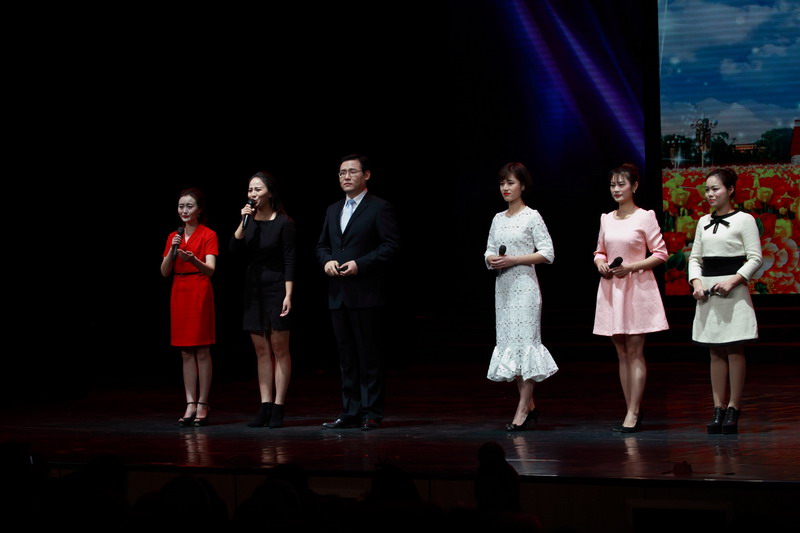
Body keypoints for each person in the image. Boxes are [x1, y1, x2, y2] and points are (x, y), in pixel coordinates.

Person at [316, 154, 400, 431]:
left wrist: (360, 264)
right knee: (346, 358)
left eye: (352, 172)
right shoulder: (333, 209)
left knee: (369, 357)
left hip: (366, 293)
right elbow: (322, 245)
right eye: (342, 173)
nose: (346, 177)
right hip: (338, 294)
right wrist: (326, 261)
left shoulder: (379, 207)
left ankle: (371, 412)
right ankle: (349, 411)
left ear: (366, 175)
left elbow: (390, 246)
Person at [593, 163, 668, 433]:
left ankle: (634, 412)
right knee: (621, 352)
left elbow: (660, 254)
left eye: (621, 184)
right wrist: (600, 263)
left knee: (635, 351)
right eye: (612, 184)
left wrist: (631, 267)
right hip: (612, 289)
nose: (616, 189)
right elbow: (600, 251)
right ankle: (630, 408)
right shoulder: (606, 218)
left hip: (637, 288)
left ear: (634, 186)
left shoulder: (645, 217)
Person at [484, 162, 557, 431]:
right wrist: (492, 259)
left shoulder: (531, 217)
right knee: (511, 345)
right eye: (502, 183)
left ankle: (522, 409)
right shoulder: (497, 218)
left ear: (522, 186)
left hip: (525, 288)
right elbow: (489, 250)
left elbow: (547, 253)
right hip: (503, 289)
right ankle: (530, 406)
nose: (505, 187)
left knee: (525, 344)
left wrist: (515, 259)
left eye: (511, 183)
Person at [689, 168, 762, 435]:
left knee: (734, 349)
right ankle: (718, 407)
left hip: (733, 291)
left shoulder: (745, 220)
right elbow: (695, 258)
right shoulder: (702, 222)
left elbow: (755, 258)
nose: (710, 194)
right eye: (707, 190)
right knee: (715, 350)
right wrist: (696, 283)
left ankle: (733, 407)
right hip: (709, 292)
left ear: (730, 190)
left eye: (715, 189)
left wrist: (733, 281)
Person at [230, 171, 296, 428]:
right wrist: (242, 222)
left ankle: (279, 406)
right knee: (261, 350)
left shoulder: (284, 222)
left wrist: (289, 294)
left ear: (269, 192)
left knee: (279, 348)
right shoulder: (248, 221)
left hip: (277, 285)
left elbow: (290, 260)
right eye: (250, 190)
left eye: (257, 189)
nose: (253, 194)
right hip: (253, 289)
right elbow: (233, 250)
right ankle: (265, 405)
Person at [160, 188, 218, 427]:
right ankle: (190, 402)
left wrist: (193, 259)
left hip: (199, 289)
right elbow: (164, 271)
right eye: (181, 206)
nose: (184, 210)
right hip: (179, 290)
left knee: (202, 350)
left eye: (189, 206)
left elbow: (211, 269)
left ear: (199, 209)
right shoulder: (174, 236)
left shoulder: (208, 234)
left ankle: (203, 402)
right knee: (185, 352)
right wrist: (172, 251)